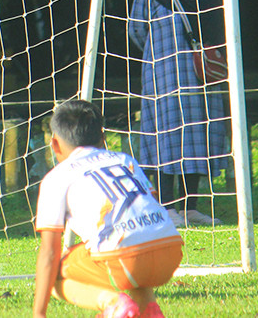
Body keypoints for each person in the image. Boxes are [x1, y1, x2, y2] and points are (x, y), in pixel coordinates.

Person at [32, 98, 182, 318]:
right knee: (132, 251)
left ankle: (112, 304)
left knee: (56, 273)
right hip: (170, 251)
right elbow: (151, 202)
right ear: (103, 138)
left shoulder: (57, 178)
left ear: (54, 144)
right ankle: (149, 310)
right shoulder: (125, 160)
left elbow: (50, 252)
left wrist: (39, 313)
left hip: (123, 259)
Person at [128, 0, 229, 227]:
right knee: (167, 137)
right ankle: (167, 206)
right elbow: (136, 31)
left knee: (199, 135)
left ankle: (190, 206)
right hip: (166, 78)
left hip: (202, 78)